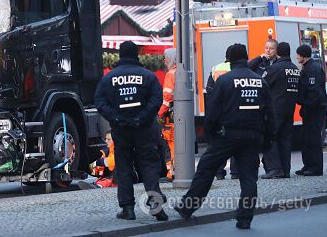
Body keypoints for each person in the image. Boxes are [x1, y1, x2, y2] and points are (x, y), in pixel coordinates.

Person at [175, 44, 276, 230]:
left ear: (230, 61)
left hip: (227, 135)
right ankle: (245, 219)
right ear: (245, 58)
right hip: (253, 136)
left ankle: (187, 207)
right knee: (248, 178)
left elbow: (212, 112)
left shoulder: (225, 81)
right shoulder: (260, 81)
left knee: (206, 169)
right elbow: (270, 112)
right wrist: (268, 138)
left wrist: (210, 134)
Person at [95, 41, 168, 222]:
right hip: (144, 128)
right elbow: (156, 99)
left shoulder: (108, 79)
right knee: (149, 165)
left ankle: (128, 209)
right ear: (136, 55)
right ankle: (155, 205)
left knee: (124, 167)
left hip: (121, 130)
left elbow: (100, 102)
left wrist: (117, 118)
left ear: (120, 55)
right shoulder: (148, 76)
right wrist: (141, 117)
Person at [261, 42, 299, 179]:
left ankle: (275, 169)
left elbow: (262, 84)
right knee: (285, 139)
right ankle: (285, 169)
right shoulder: (295, 68)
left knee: (270, 137)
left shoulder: (276, 68)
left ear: (278, 52)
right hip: (290, 109)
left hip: (275, 109)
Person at [205, 45, 238, 180]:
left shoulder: (216, 68)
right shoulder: (240, 69)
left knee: (219, 143)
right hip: (235, 110)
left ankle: (219, 172)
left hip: (219, 111)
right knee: (237, 141)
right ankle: (236, 172)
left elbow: (209, 90)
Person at [295, 44, 327, 176]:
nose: (296, 57)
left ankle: (315, 168)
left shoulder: (312, 69)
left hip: (314, 110)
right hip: (310, 108)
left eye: (298, 54)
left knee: (313, 139)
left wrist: (306, 106)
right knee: (307, 139)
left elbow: (314, 93)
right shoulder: (309, 67)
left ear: (303, 55)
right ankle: (308, 165)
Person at [158, 48, 176, 181]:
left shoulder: (170, 74)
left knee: (171, 146)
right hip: (181, 115)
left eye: (165, 59)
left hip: (171, 117)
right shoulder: (182, 72)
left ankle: (172, 174)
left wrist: (159, 114)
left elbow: (167, 98)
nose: (164, 62)